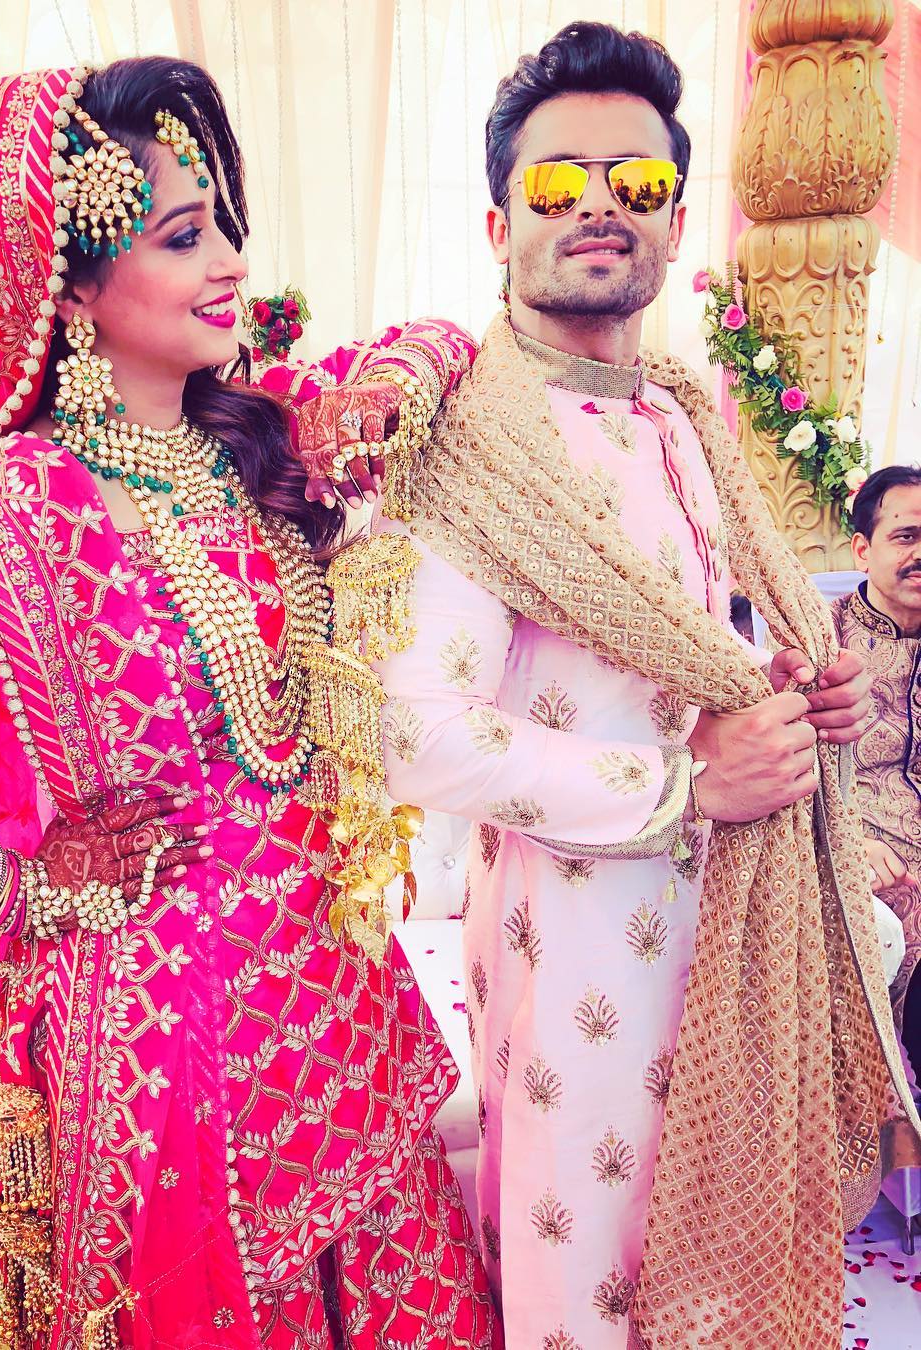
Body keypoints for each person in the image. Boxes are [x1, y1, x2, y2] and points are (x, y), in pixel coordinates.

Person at [0, 58, 498, 1350]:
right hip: (163, 1056)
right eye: (185, 235)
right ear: (71, 287)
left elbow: (447, 339)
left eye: (231, 227)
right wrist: (6, 885)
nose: (232, 263)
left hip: (338, 1006)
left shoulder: (259, 439)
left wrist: (390, 385)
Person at [360, 21, 918, 1350]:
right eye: (557, 185)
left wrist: (788, 684)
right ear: (498, 224)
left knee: (718, 1265)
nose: (598, 206)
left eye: (638, 182)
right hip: (583, 945)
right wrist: (683, 784)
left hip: (738, 920)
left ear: (675, 219)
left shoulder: (675, 409)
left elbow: (682, 640)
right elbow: (417, 735)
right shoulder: (463, 442)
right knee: (591, 1279)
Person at [832, 465, 921, 1071]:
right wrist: (845, 839)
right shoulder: (819, 644)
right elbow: (778, 768)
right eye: (907, 536)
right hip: (863, 856)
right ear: (863, 549)